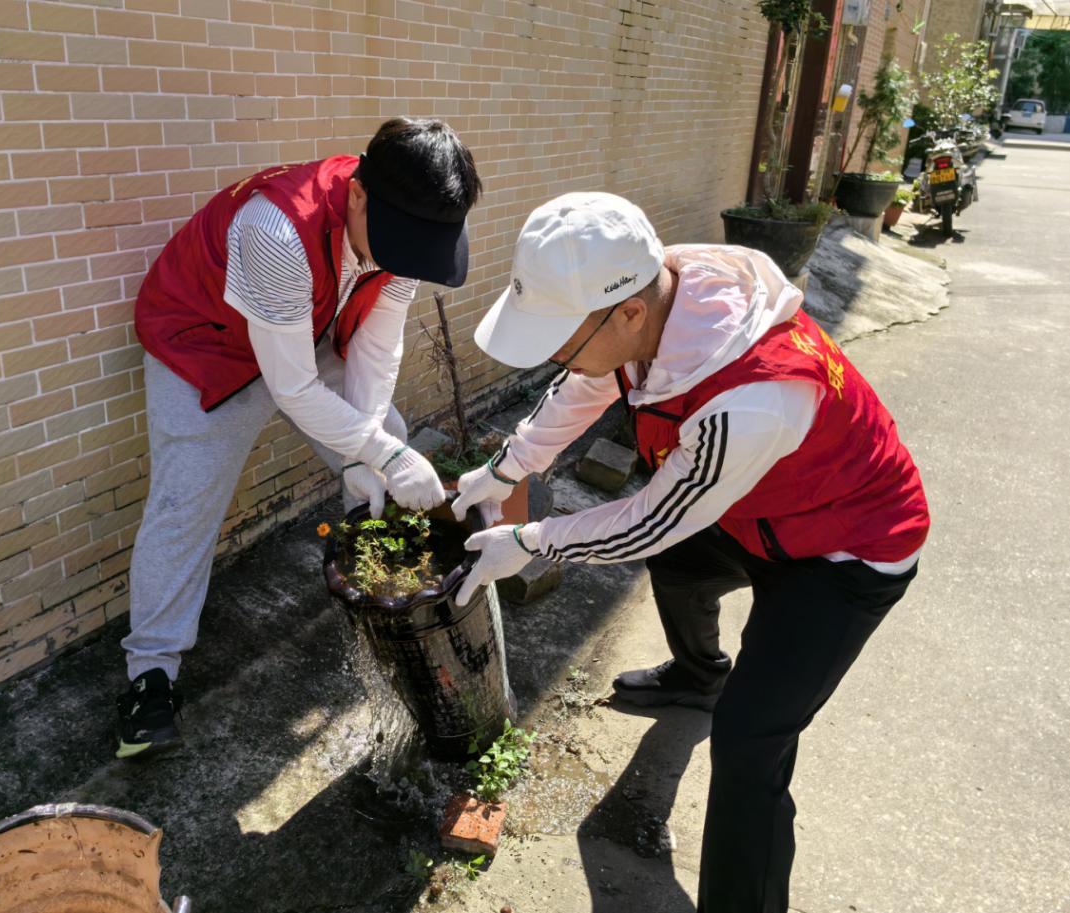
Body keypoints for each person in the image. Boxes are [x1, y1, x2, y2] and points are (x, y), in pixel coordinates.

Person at [451, 192, 929, 912]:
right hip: (758, 509)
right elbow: (585, 384)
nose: (553, 352)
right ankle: (698, 673)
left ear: (628, 315)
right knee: (679, 567)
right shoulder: (662, 291)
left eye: (559, 335)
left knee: (747, 744)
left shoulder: (753, 398)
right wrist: (506, 467)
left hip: (846, 549)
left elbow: (649, 520)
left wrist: (529, 540)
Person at [116, 118, 482, 760]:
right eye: (398, 246)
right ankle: (151, 674)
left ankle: (387, 601)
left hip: (300, 327)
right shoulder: (274, 230)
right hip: (203, 343)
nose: (403, 262)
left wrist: (372, 448)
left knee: (384, 438)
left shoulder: (403, 227)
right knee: (185, 504)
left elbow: (377, 341)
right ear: (359, 196)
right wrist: (383, 453)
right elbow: (290, 387)